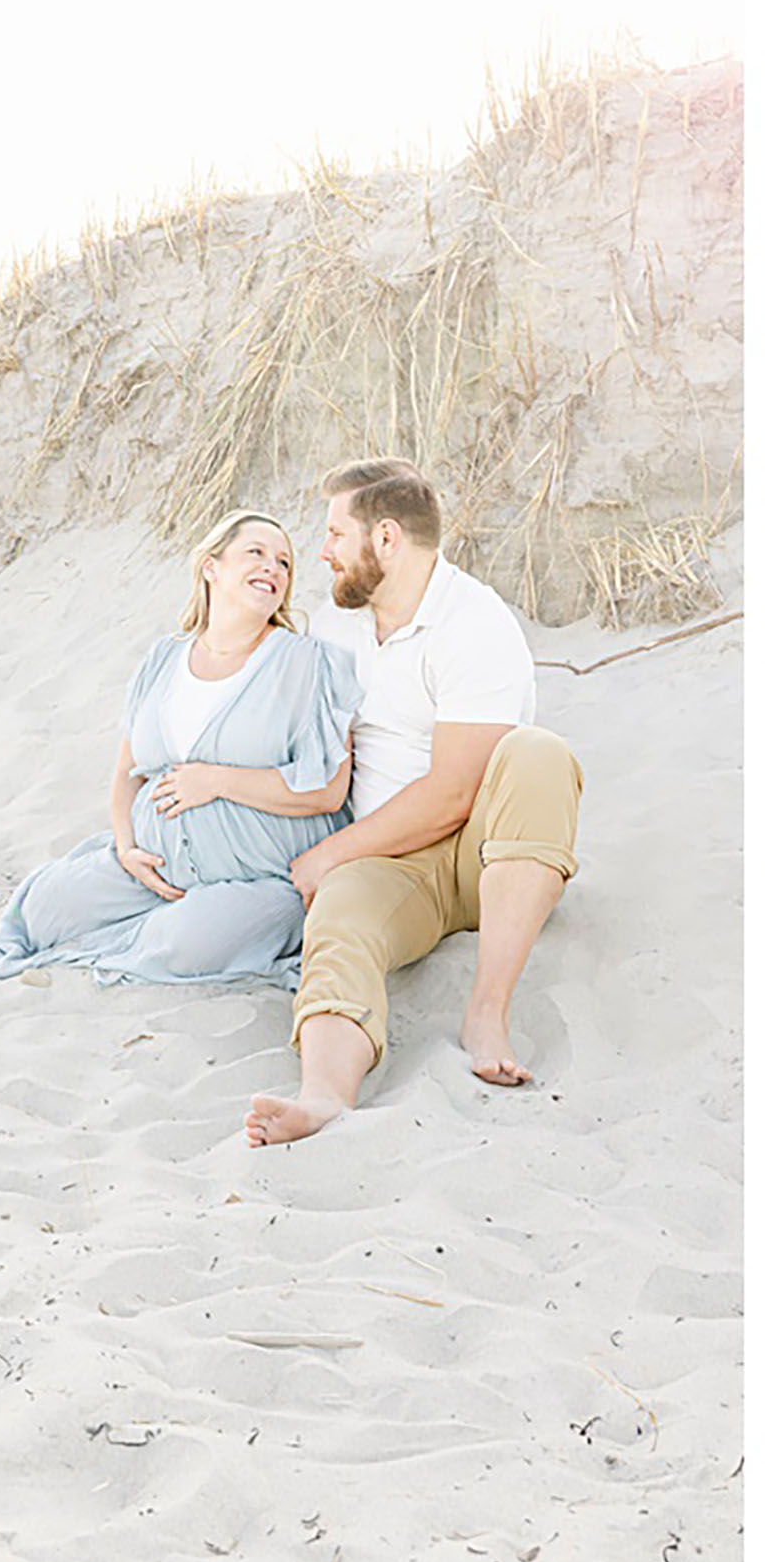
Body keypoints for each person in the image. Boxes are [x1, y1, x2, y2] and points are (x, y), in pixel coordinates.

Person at [245, 458, 582, 1147]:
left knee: (540, 753)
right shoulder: (340, 632)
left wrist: (330, 852)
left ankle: (487, 1009)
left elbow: (454, 793)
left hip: (483, 854)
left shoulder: (473, 623)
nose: (324, 550)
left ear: (388, 539)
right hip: (392, 864)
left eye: (337, 533)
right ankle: (325, 1094)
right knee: (339, 916)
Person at [0, 509, 361, 989]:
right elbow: (127, 774)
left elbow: (329, 793)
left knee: (187, 944)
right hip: (154, 860)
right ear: (211, 566)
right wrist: (126, 849)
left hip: (260, 876)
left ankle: (124, 943)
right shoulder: (164, 658)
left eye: (285, 563)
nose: (273, 568)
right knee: (42, 911)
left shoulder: (308, 664)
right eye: (256, 553)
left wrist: (218, 781)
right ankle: (130, 918)